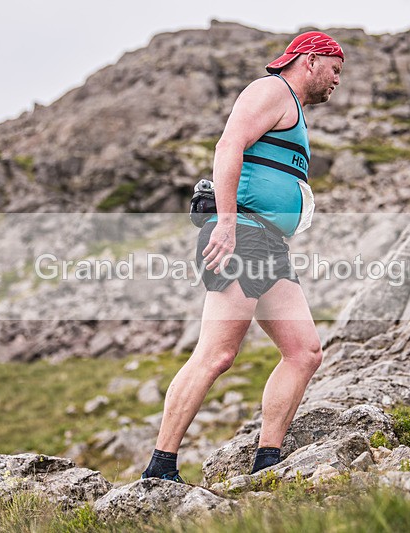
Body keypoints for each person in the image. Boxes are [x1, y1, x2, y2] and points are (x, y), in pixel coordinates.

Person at [141, 31, 344, 482]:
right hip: (243, 233)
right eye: (335, 69)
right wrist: (228, 225)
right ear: (310, 60)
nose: (336, 81)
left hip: (268, 243)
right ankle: (160, 469)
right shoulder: (271, 90)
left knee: (305, 352)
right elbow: (227, 145)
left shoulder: (291, 106)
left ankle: (268, 460)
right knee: (217, 354)